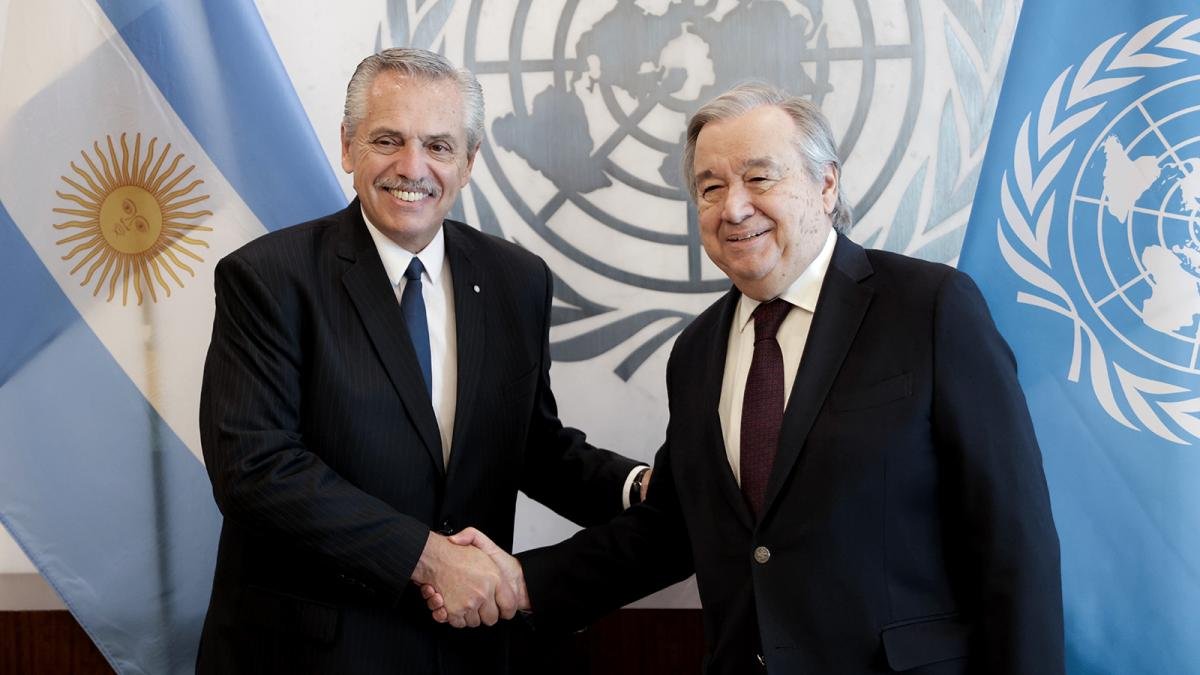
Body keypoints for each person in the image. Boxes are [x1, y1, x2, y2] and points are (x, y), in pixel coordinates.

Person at [427, 83, 1065, 674]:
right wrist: (518, 582)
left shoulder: (929, 307)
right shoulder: (698, 351)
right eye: (709, 188)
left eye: (760, 177)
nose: (733, 208)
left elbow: (1013, 541)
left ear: (825, 185)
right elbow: (671, 529)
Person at [195, 48, 648, 674]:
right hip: (313, 653)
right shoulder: (268, 277)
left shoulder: (517, 279)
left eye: (439, 146)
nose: (413, 167)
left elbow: (529, 445)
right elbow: (255, 470)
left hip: (468, 651)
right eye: (388, 140)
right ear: (349, 147)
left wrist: (641, 489)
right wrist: (429, 557)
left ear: (469, 161)